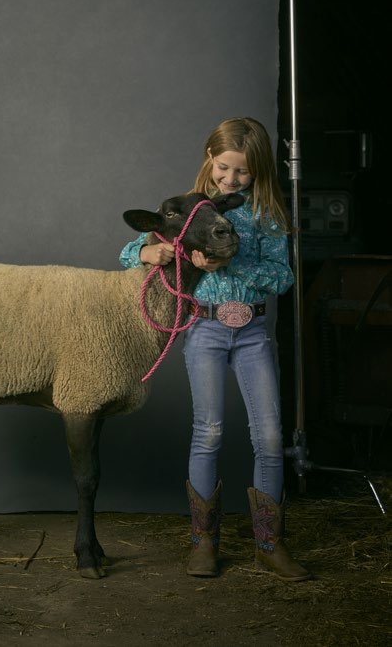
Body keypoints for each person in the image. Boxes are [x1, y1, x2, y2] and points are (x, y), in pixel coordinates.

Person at [119, 116, 310, 581]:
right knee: (208, 431)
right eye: (225, 168)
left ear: (258, 170)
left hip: (252, 332)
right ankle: (203, 542)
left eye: (242, 172)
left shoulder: (266, 214)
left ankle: (270, 543)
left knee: (268, 436)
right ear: (211, 157)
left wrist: (231, 264)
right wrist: (149, 253)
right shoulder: (185, 209)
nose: (230, 179)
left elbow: (282, 277)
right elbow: (128, 252)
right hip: (204, 331)